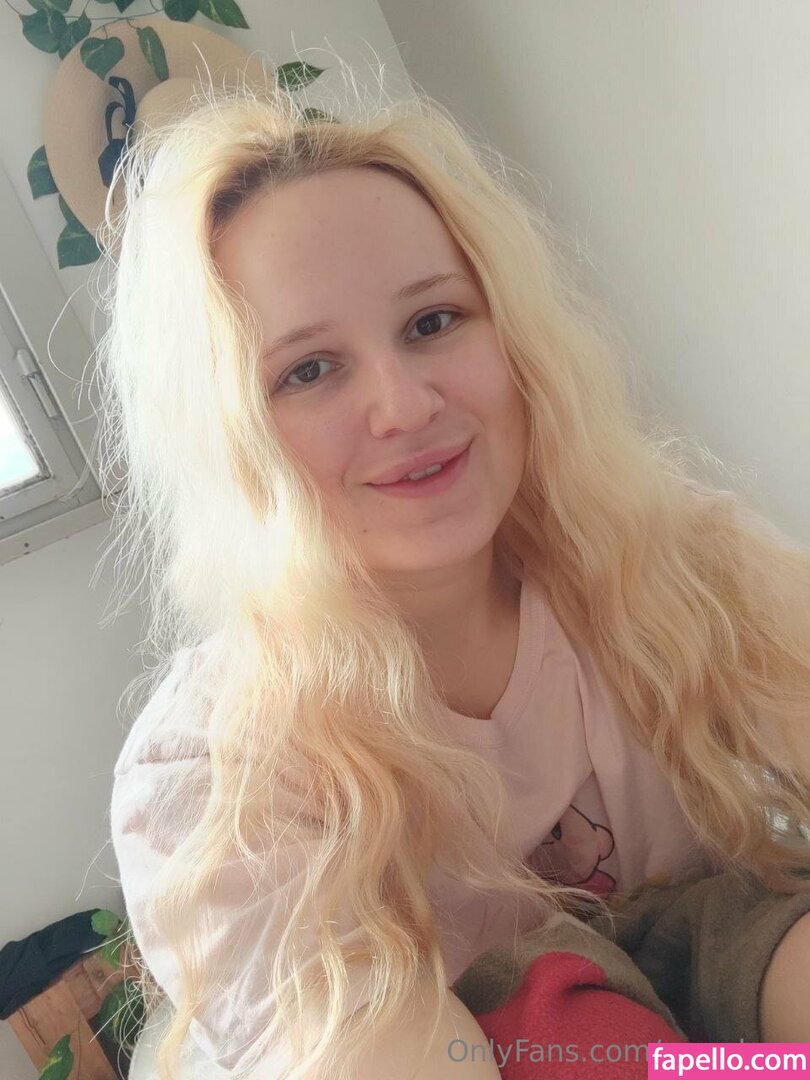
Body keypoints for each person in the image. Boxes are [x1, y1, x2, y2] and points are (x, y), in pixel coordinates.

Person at [102, 67, 810, 1080]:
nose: (404, 406)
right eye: (309, 370)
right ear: (234, 437)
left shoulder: (681, 561)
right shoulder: (215, 776)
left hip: (713, 966)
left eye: (433, 322)